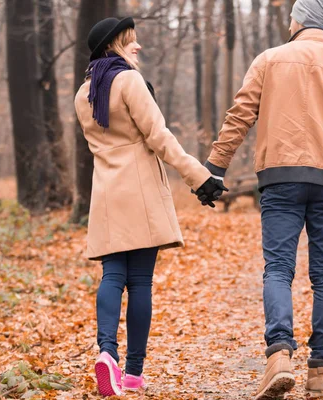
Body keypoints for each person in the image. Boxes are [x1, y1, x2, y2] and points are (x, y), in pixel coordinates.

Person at [203, 0, 323, 398]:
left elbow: (240, 115)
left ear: (302, 19)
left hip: (280, 177)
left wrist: (215, 167)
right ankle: (320, 372)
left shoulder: (270, 59)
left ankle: (279, 355)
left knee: (278, 269)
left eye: (293, 15)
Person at [74, 17, 227, 397]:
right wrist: (198, 177)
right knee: (140, 282)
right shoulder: (129, 81)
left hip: (107, 195)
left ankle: (106, 353)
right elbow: (159, 136)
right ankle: (132, 374)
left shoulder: (84, 93)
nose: (137, 46)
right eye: (130, 41)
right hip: (140, 193)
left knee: (112, 277)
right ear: (113, 45)